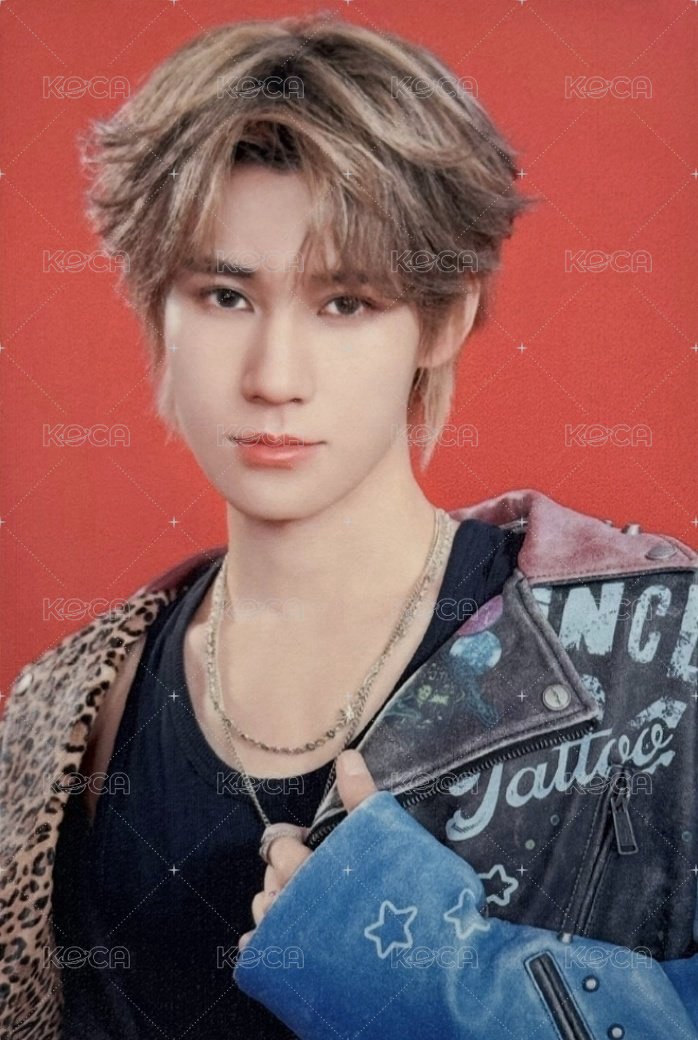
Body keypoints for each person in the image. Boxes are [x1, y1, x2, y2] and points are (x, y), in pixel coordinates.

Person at [1, 13, 696, 1040]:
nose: (274, 376)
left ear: (442, 318)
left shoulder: (655, 652)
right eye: (226, 294)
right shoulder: (64, 712)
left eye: (344, 303)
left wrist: (438, 978)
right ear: (157, 311)